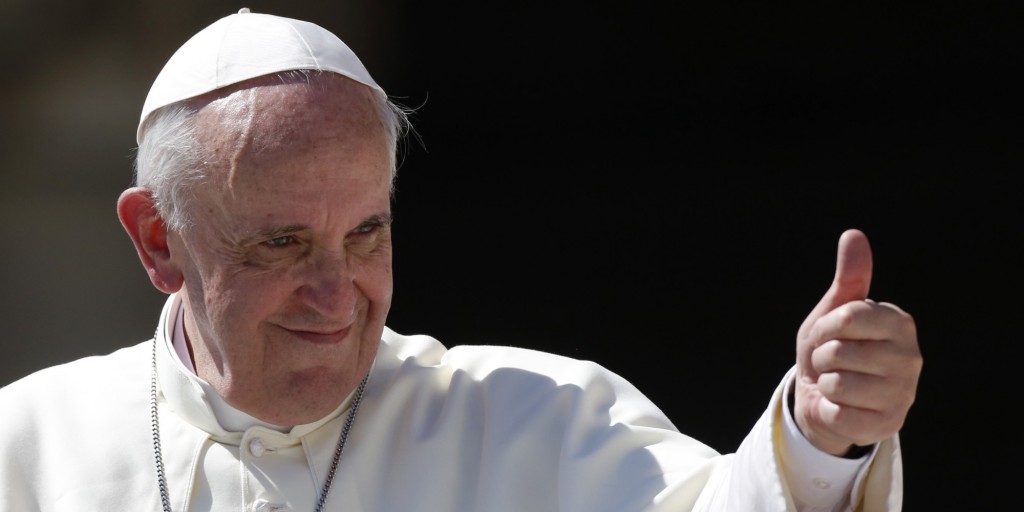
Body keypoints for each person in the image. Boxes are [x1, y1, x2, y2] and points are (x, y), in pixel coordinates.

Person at [0, 8, 921, 512]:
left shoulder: (530, 420)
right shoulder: (26, 449)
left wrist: (817, 430)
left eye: (366, 235)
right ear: (158, 239)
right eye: (281, 243)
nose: (336, 293)